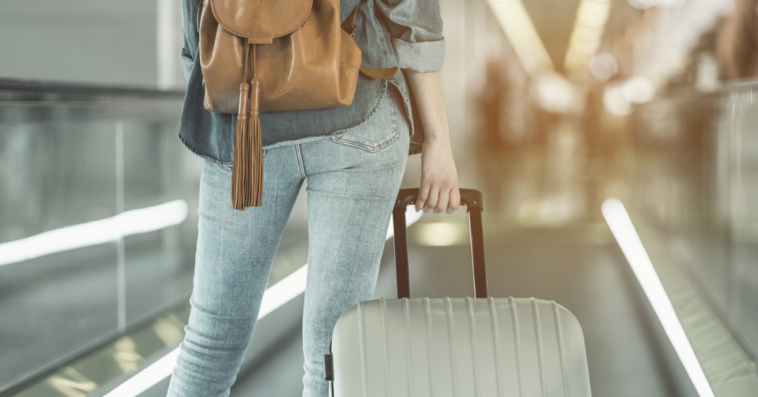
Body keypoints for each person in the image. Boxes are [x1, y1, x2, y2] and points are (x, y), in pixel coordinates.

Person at [167, 0, 460, 396]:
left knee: (210, 345)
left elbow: (194, 16)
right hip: (357, 108)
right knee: (334, 358)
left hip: (245, 123)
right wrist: (438, 138)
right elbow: (411, 12)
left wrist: (217, 86)